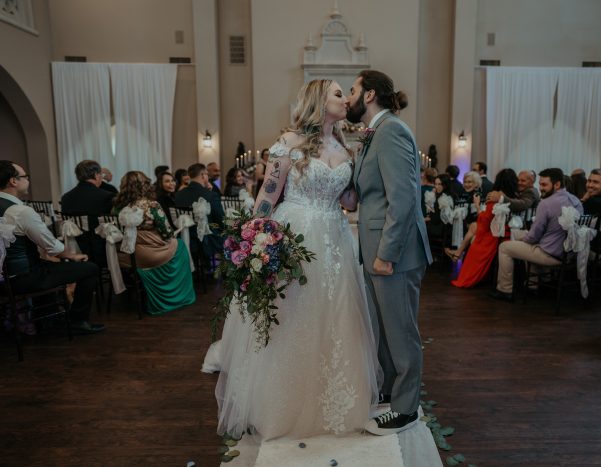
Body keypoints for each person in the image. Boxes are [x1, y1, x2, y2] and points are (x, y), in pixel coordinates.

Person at [202, 79, 382, 441]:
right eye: (337, 94)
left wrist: (362, 169)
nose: (345, 99)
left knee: (335, 313)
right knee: (293, 314)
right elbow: (267, 197)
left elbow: (348, 202)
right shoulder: (289, 143)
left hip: (335, 237)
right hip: (294, 232)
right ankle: (281, 399)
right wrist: (252, 240)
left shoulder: (345, 146)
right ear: (319, 100)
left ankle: (333, 396)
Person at [348, 69, 432, 435]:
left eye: (352, 90)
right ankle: (390, 392)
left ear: (368, 95)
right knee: (383, 329)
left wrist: (387, 254)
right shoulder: (374, 134)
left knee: (401, 331)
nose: (349, 96)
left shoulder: (392, 130)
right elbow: (374, 194)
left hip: (393, 254)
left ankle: (406, 408)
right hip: (375, 251)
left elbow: (403, 198)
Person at [0, 160, 104, 333]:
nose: (28, 180)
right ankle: (78, 320)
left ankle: (49, 319)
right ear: (13, 181)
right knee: (90, 268)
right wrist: (72, 255)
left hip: (4, 278)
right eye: (25, 177)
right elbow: (51, 246)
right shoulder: (21, 212)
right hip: (23, 278)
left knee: (47, 266)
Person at [491, 168, 583, 301]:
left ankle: (505, 289)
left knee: (504, 247)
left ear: (557, 185)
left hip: (550, 253)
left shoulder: (545, 204)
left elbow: (533, 238)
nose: (541, 188)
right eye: (540, 184)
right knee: (516, 234)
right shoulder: (576, 201)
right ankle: (530, 285)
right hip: (568, 252)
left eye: (544, 185)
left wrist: (525, 238)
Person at [113, 171, 195, 315]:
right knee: (181, 246)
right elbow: (167, 233)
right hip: (150, 255)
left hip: (127, 255)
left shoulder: (117, 207)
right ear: (144, 186)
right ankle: (176, 296)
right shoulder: (152, 205)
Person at [449, 169, 518, 288]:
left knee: (475, 239)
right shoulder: (514, 197)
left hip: (495, 235)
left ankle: (461, 260)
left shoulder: (495, 197)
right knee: (474, 228)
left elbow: (485, 221)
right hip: (508, 232)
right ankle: (459, 252)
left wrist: (477, 207)